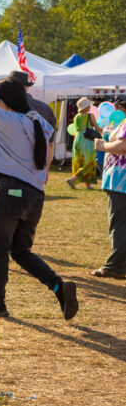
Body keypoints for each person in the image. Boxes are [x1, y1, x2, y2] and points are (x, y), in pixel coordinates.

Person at [0, 79, 77, 320]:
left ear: (3, 101)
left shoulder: (7, 120)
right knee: (20, 250)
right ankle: (58, 286)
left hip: (11, 191)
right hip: (35, 195)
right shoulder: (36, 121)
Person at [90, 108, 126, 280]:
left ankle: (115, 267)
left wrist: (103, 146)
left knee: (119, 224)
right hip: (119, 181)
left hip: (121, 181)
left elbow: (123, 145)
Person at [66, 97, 100, 190]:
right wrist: (104, 130)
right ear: (85, 106)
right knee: (89, 162)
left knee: (80, 161)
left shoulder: (76, 116)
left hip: (77, 140)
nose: (90, 106)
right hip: (87, 139)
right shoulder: (90, 115)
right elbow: (97, 128)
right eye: (88, 105)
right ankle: (73, 179)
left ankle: (88, 185)